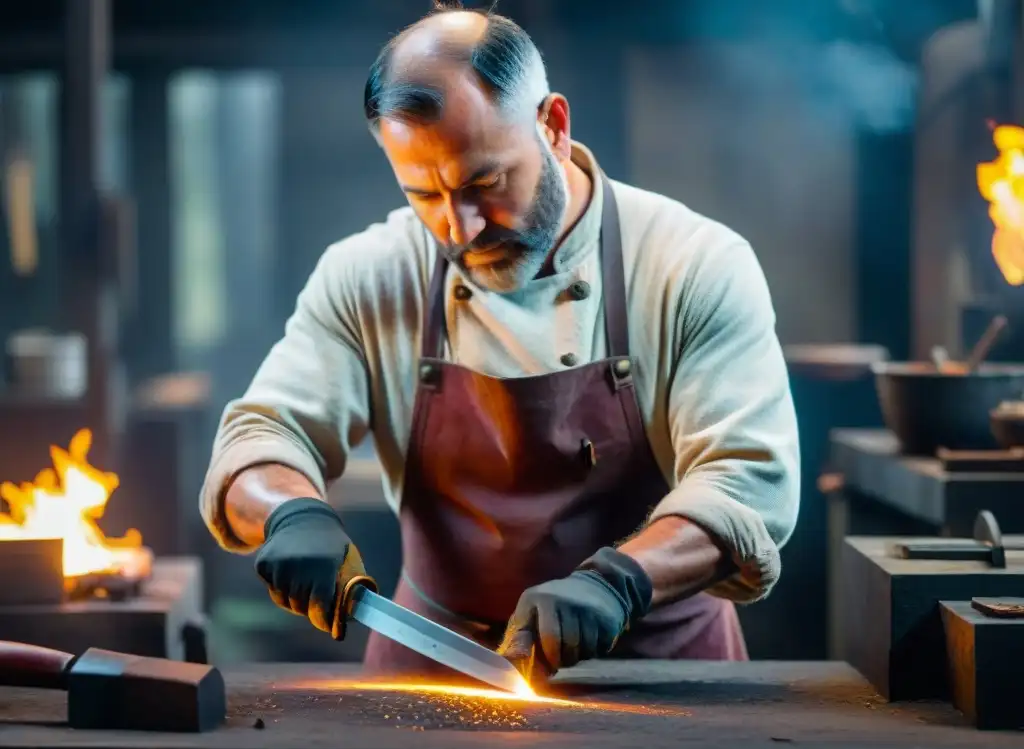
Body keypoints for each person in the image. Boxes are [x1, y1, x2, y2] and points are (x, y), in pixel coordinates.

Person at [199, 1, 800, 679]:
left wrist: (620, 582)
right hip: (431, 668)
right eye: (424, 195)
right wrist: (289, 512)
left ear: (554, 125)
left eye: (485, 183)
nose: (459, 228)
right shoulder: (370, 273)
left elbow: (746, 484)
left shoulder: (692, 263)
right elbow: (262, 435)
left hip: (658, 670)